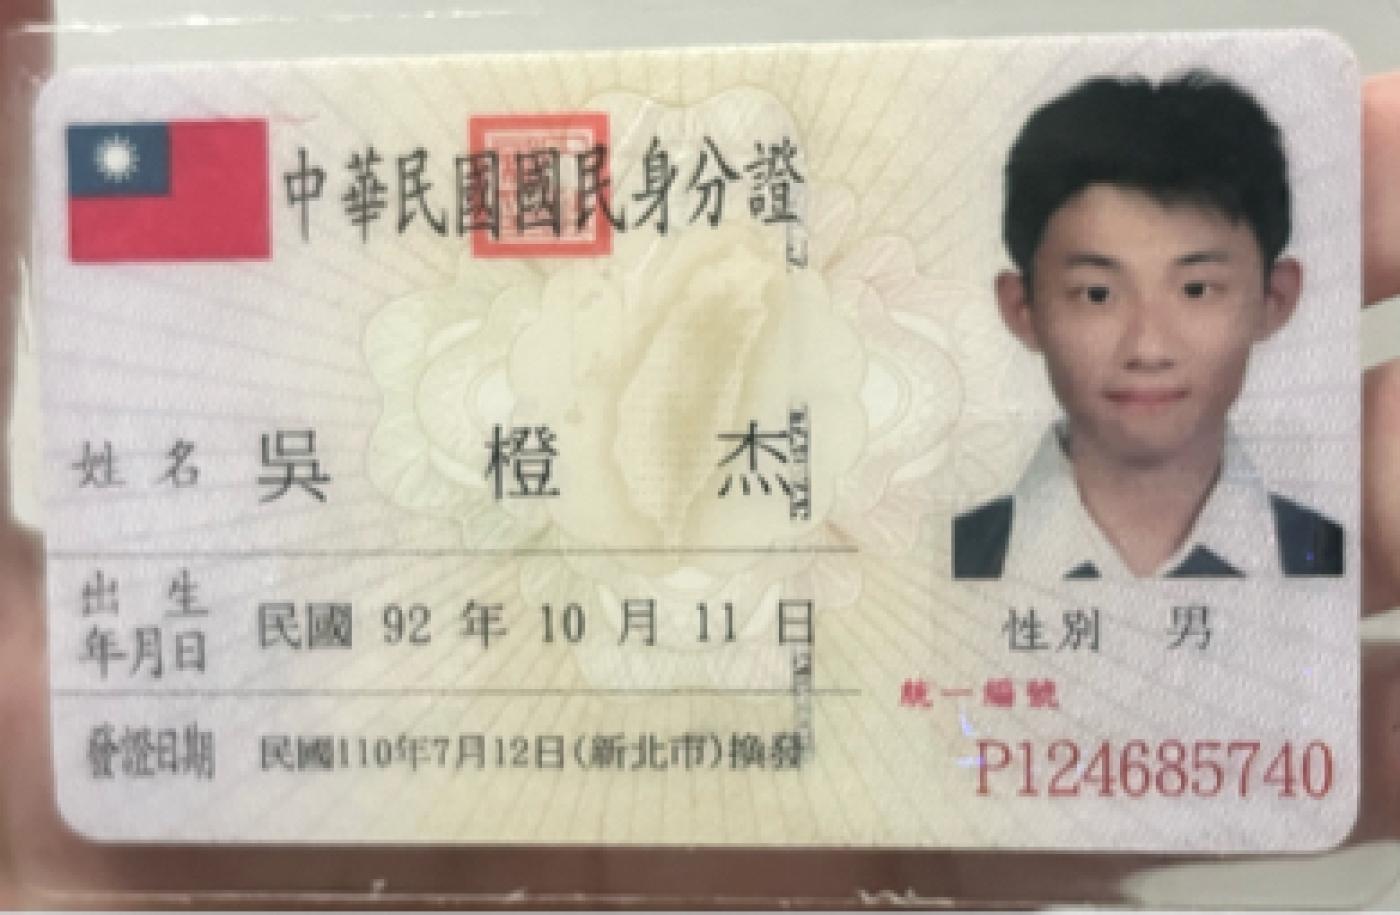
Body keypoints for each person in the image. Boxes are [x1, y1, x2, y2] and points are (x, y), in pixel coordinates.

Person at [954, 70, 1344, 580]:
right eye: (1097, 294)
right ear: (1022, 308)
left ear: (1274, 299)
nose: (1148, 348)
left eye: (1196, 290)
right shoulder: (942, 564)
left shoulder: (1337, 561)